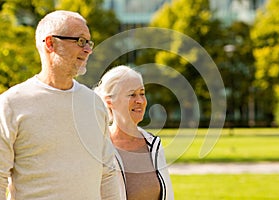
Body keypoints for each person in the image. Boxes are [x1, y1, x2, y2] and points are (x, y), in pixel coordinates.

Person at [0, 10, 121, 199]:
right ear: (50, 43)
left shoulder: (94, 103)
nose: (88, 49)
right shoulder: (11, 103)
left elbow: (107, 173)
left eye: (89, 42)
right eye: (80, 41)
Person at [94, 65, 174, 200]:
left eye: (142, 93)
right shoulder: (99, 146)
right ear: (110, 101)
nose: (140, 101)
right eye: (132, 95)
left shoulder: (154, 145)